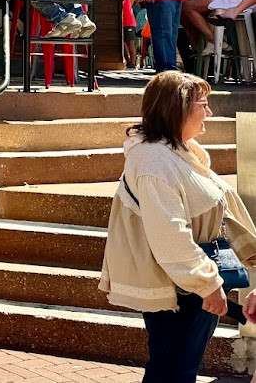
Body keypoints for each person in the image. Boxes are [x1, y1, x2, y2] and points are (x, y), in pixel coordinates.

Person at [99, 71, 256, 381]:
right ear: (179, 109)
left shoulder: (179, 152)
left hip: (191, 284)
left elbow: (219, 210)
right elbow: (170, 234)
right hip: (181, 289)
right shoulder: (154, 162)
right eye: (203, 104)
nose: (209, 112)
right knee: (173, 370)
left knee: (177, 367)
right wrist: (207, 284)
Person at [119, 0, 139, 69]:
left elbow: (121, 3)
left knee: (128, 43)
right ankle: (130, 62)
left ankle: (132, 62)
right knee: (128, 43)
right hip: (128, 22)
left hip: (128, 22)